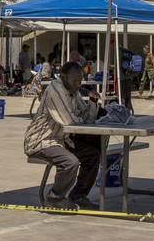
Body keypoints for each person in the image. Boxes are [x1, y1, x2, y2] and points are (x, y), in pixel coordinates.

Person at [23, 61, 102, 210]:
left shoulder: (74, 92)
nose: (79, 84)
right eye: (75, 81)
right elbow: (69, 122)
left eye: (80, 81)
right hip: (41, 141)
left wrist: (92, 103)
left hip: (61, 140)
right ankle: (55, 197)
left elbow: (86, 119)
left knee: (93, 154)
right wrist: (81, 118)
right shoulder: (55, 90)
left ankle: (78, 195)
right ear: (64, 78)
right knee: (70, 162)